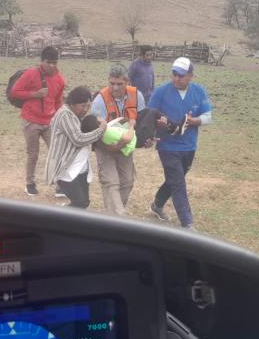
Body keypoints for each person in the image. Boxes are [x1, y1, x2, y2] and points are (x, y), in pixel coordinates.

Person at [148, 57, 212, 230]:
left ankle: (157, 205)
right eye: (174, 74)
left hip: (189, 145)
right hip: (167, 145)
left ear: (191, 75)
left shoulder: (199, 91)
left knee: (175, 179)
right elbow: (149, 114)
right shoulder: (161, 92)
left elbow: (208, 116)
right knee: (178, 183)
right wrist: (158, 123)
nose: (177, 78)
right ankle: (187, 223)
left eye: (181, 75)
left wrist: (194, 121)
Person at [90, 64, 146, 215]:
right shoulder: (100, 100)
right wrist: (109, 147)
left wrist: (145, 139)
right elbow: (95, 132)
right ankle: (117, 217)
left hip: (125, 146)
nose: (115, 88)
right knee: (111, 182)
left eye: (119, 84)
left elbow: (142, 121)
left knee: (127, 181)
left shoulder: (137, 96)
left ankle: (113, 216)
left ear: (127, 82)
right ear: (108, 80)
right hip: (105, 146)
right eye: (112, 83)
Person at [10, 46, 66, 196]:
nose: (52, 66)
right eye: (49, 62)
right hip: (31, 120)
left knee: (57, 152)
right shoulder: (30, 74)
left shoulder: (60, 79)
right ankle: (30, 183)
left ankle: (60, 184)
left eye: (55, 62)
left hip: (49, 122)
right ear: (42, 61)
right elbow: (15, 92)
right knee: (33, 154)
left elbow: (58, 101)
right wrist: (35, 94)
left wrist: (59, 119)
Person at [45, 87, 106, 209]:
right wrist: (101, 130)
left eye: (88, 106)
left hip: (80, 167)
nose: (85, 109)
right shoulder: (65, 115)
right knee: (80, 203)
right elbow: (78, 139)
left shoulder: (75, 114)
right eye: (82, 106)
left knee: (83, 203)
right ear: (72, 103)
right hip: (65, 168)